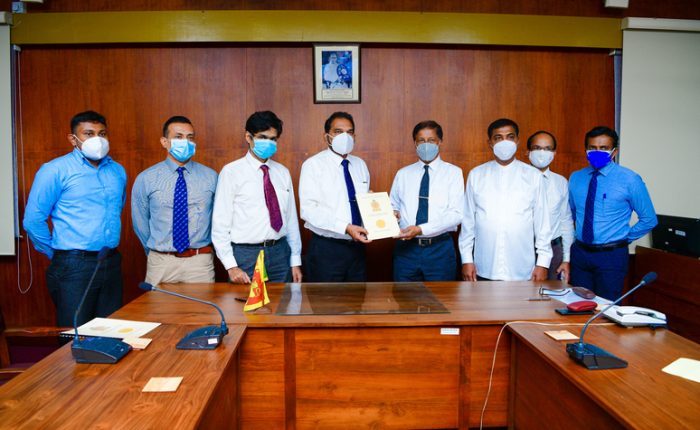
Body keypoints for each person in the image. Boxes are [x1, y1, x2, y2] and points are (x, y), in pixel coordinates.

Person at [23, 111, 126, 326]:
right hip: (74, 264)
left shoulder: (117, 171)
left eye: (102, 133)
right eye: (88, 133)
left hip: (111, 261)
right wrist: (60, 255)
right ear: (73, 138)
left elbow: (116, 210)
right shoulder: (55, 170)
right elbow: (33, 220)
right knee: (74, 333)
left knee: (111, 331)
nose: (97, 139)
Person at [211, 111, 302, 284]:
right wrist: (231, 266)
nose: (268, 143)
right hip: (246, 255)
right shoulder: (231, 172)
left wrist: (295, 261)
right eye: (262, 137)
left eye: (273, 139)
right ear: (248, 137)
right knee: (245, 302)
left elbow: (291, 220)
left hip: (280, 252)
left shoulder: (282, 172)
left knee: (282, 300)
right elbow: (220, 224)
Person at [569, 126, 657, 299]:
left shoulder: (630, 179)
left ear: (614, 151)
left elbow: (649, 219)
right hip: (580, 253)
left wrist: (623, 238)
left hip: (611, 256)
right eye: (593, 148)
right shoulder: (576, 178)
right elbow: (571, 214)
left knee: (607, 307)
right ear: (586, 150)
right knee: (578, 305)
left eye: (603, 148)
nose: (597, 152)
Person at [459, 118, 552, 281]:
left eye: (510, 137)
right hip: (484, 266)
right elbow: (468, 222)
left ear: (517, 140)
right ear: (490, 143)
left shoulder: (533, 176)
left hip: (523, 268)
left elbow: (542, 223)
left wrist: (543, 263)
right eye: (498, 138)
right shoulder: (476, 175)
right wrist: (466, 259)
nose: (505, 142)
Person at [131, 116, 218, 286]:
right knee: (158, 304)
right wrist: (157, 252)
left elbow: (218, 219)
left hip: (199, 262)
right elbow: (140, 223)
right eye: (178, 137)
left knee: (202, 305)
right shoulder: (146, 178)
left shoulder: (211, 177)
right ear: (164, 142)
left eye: (190, 137)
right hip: (161, 262)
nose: (185, 142)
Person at [299, 111, 371, 282]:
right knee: (326, 299)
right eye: (338, 132)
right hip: (327, 249)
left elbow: (363, 203)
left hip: (357, 248)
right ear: (327, 137)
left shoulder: (360, 165)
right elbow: (308, 210)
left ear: (355, 136)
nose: (345, 137)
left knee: (357, 297)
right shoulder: (313, 165)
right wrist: (346, 227)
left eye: (349, 132)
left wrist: (384, 213)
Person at [390, 120, 464, 281]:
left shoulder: (453, 173)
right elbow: (393, 205)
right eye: (421, 140)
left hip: (439, 250)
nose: (426, 145)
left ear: (440, 142)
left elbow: (456, 214)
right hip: (406, 250)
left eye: (431, 140)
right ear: (415, 143)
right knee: (404, 295)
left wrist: (420, 229)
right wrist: (393, 214)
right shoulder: (403, 174)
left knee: (440, 296)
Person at [527, 131, 575, 282]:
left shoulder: (560, 182)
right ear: (528, 152)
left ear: (554, 153)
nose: (542, 153)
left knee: (550, 294)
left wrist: (566, 259)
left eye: (547, 149)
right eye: (537, 148)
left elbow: (565, 222)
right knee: (520, 294)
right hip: (523, 249)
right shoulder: (517, 180)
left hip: (554, 249)